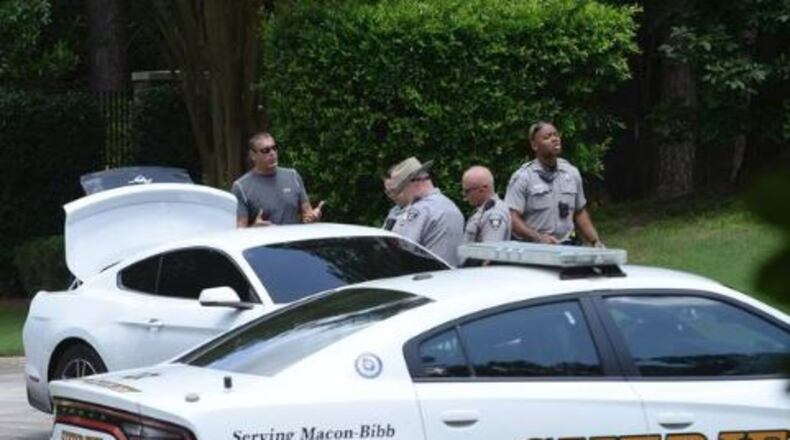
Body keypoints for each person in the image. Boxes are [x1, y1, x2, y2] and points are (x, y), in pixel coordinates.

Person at [504, 121, 604, 247]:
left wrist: (595, 241)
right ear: (534, 145)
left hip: (567, 245)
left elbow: (579, 212)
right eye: (547, 137)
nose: (554, 139)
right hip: (535, 247)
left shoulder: (571, 173)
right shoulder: (523, 177)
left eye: (556, 135)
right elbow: (512, 217)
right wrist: (538, 237)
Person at [232, 132, 323, 227]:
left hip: (294, 236)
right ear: (253, 155)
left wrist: (313, 216)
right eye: (266, 150)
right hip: (266, 237)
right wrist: (254, 228)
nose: (272, 153)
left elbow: (307, 214)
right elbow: (240, 229)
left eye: (274, 148)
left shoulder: (293, 176)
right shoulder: (241, 187)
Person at [389, 157, 465, 266]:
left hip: (426, 273)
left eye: (403, 189)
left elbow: (401, 246)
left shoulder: (418, 210)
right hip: (452, 274)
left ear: (413, 182)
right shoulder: (452, 206)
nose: (404, 195)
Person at [461, 165, 511, 243]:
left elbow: (490, 248)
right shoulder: (484, 210)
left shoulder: (494, 214)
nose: (464, 195)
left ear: (483, 189)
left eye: (467, 191)